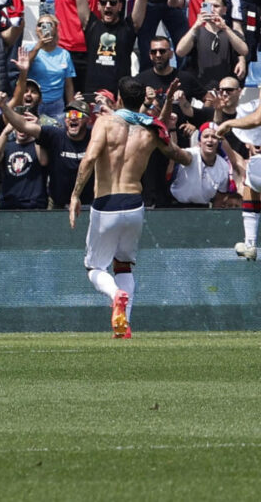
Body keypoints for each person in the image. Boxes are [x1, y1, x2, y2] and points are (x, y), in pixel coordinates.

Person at [79, 79, 196, 337]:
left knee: (95, 268)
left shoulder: (106, 123)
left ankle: (115, 294)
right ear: (143, 98)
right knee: (123, 265)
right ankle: (125, 325)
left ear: (119, 98)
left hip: (106, 203)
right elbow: (178, 155)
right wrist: (194, 155)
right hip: (134, 205)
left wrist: (76, 195)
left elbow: (89, 159)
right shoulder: (150, 129)